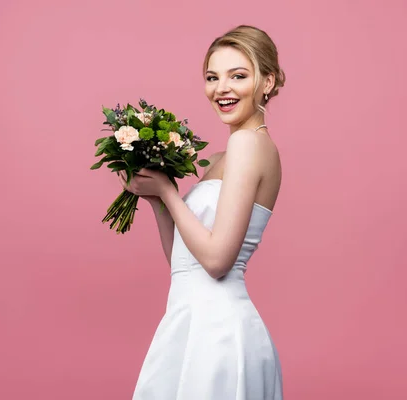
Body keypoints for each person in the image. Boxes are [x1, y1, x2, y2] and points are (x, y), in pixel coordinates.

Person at [119, 24, 286, 400]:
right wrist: (158, 201)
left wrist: (167, 191)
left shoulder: (249, 144)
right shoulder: (221, 157)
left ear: (268, 82)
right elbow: (184, 262)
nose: (221, 88)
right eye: (212, 77)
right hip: (193, 322)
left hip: (217, 334)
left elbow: (216, 261)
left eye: (238, 76)